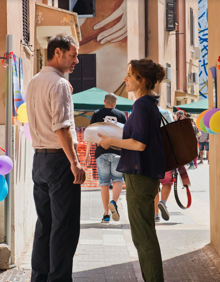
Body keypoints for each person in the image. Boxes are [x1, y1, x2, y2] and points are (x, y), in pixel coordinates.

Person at [98, 59, 166, 282]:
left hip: (140, 177)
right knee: (144, 234)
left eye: (130, 75)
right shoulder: (149, 105)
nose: (125, 79)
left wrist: (110, 140)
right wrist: (114, 142)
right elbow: (139, 143)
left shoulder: (141, 105)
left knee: (143, 237)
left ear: (141, 80)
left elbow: (139, 144)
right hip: (145, 176)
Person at [26, 34, 86, 282]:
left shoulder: (34, 81)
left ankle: (39, 278)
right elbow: (61, 127)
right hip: (59, 160)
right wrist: (75, 162)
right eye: (73, 55)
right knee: (64, 228)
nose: (77, 60)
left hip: (39, 160)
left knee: (45, 226)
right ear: (58, 53)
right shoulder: (59, 84)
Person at [85, 93, 127, 223]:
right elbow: (125, 135)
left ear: (104, 101)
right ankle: (113, 202)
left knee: (103, 183)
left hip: (101, 153)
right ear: (115, 103)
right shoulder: (121, 115)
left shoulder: (96, 113)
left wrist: (87, 154)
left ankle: (106, 214)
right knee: (118, 179)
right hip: (118, 153)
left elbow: (91, 134)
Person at [154, 107, 174, 222]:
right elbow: (172, 130)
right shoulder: (166, 113)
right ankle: (163, 202)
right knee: (167, 181)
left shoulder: (141, 112)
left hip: (150, 153)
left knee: (154, 184)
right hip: (166, 152)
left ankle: (156, 214)